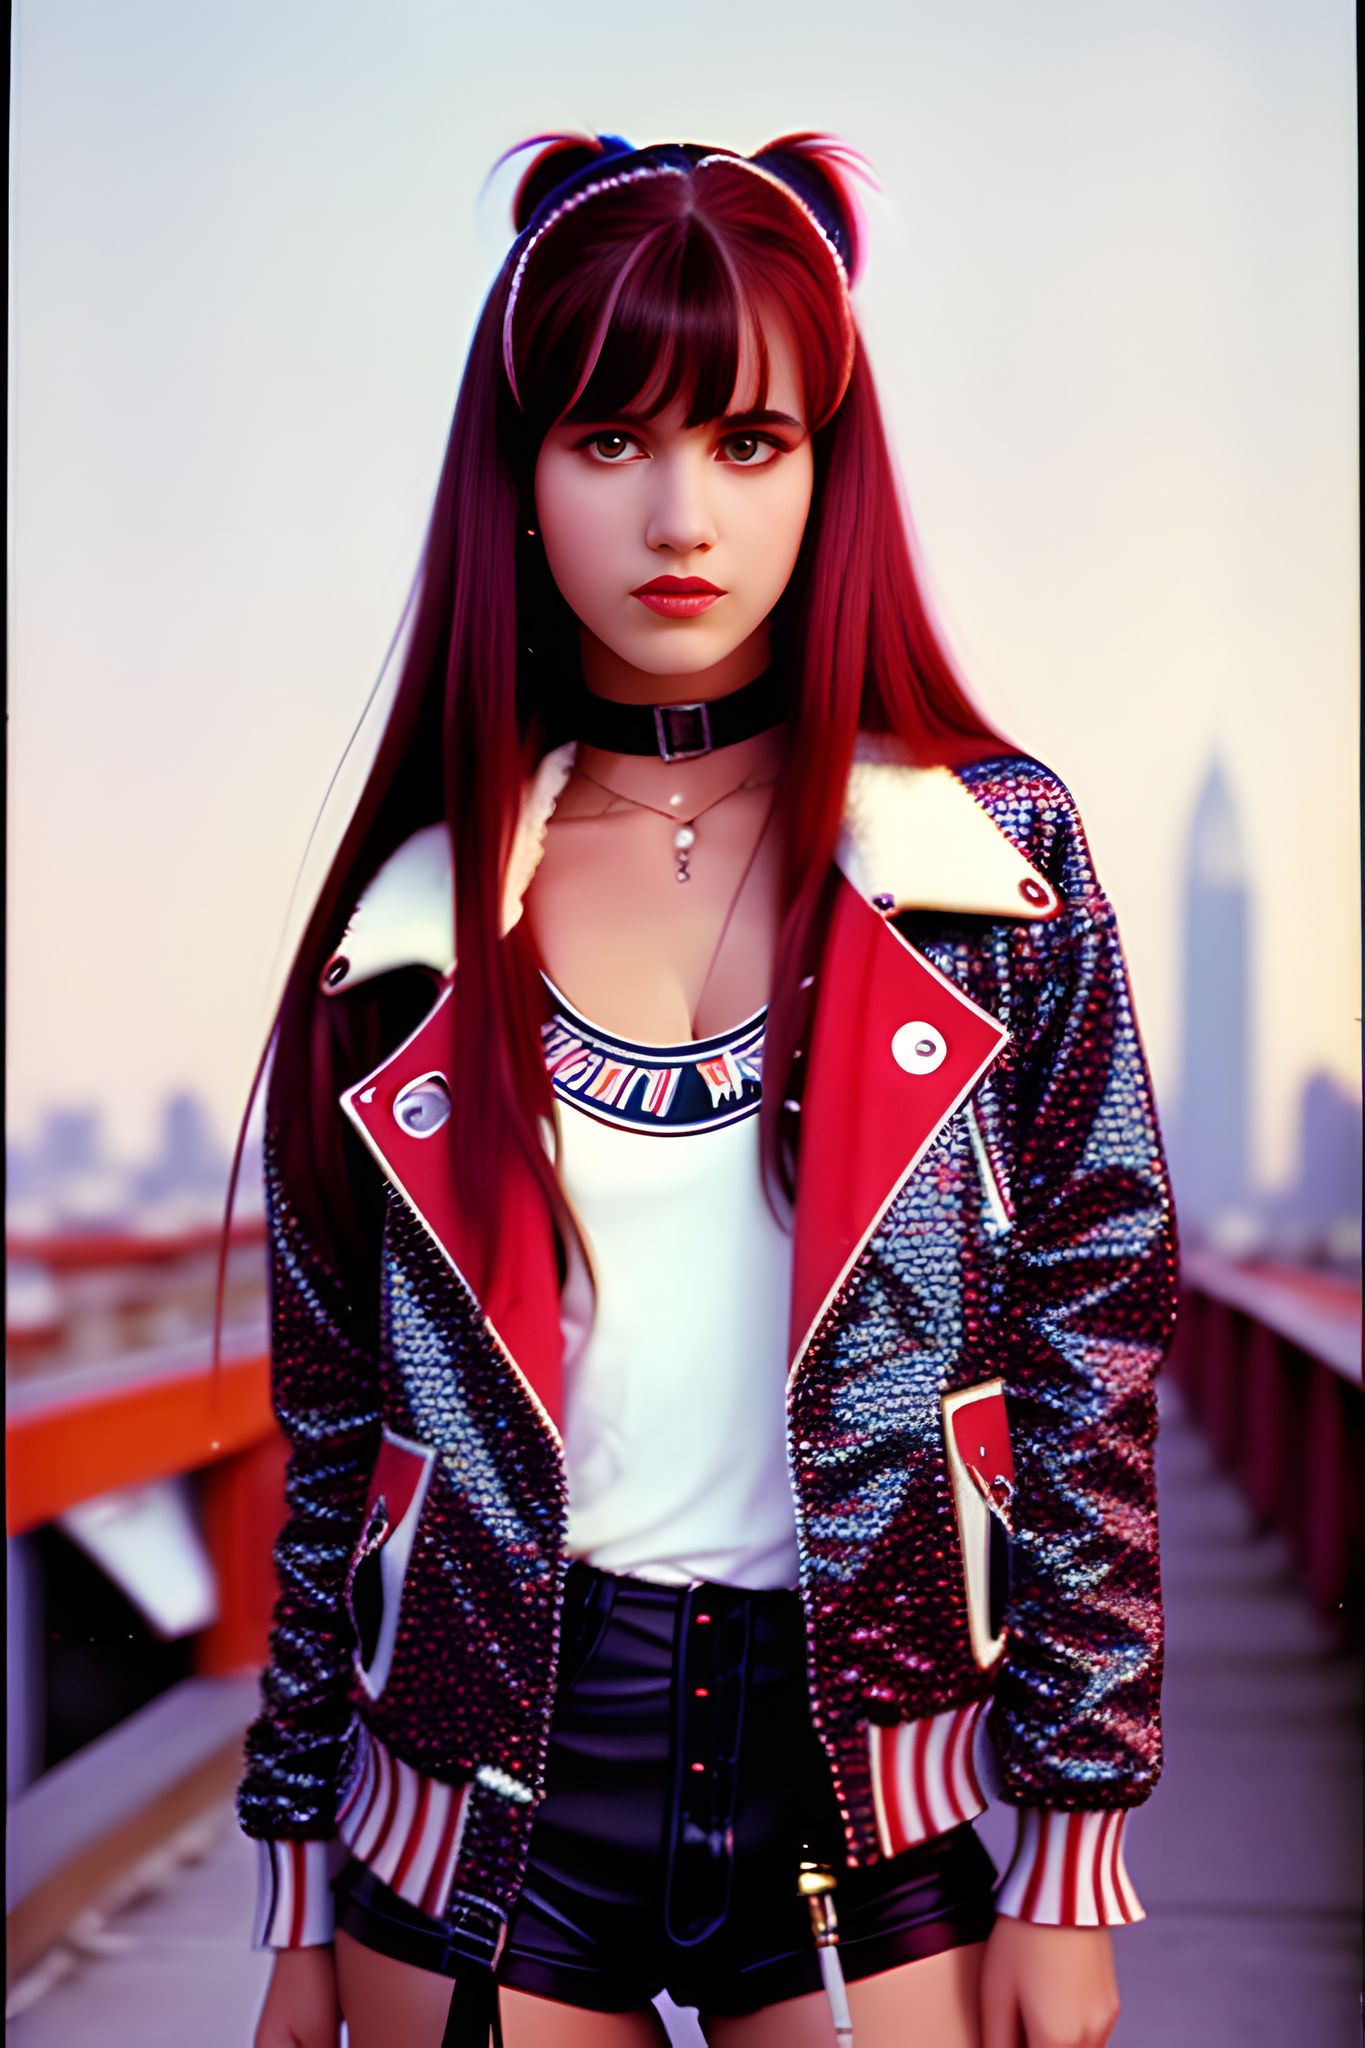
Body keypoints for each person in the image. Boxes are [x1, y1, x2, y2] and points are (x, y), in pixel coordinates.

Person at [234, 132, 1178, 2048]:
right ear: (517, 479)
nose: (680, 511)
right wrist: (289, 1898)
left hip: (863, 1790)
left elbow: (1099, 1337)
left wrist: (1071, 1853)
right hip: (477, 1794)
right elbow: (334, 1426)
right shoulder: (409, 918)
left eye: (747, 441)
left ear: (829, 472)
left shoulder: (987, 867)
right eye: (608, 440)